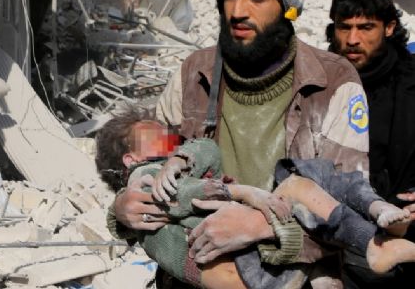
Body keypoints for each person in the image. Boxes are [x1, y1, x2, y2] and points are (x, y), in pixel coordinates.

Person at [111, 0, 372, 288]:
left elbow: (348, 211)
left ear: (291, 1)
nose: (237, 11)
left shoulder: (333, 84)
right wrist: (124, 206)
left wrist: (265, 226)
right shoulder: (193, 75)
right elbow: (150, 166)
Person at [96, 108, 414, 288]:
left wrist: (181, 158)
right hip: (241, 267)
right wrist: (242, 192)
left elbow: (205, 149)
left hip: (250, 264)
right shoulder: (146, 177)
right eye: (154, 136)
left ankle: (373, 231)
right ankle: (373, 237)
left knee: (311, 187)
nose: (169, 138)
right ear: (130, 159)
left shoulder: (172, 165)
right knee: (303, 184)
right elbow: (179, 196)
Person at [326, 0, 415, 287]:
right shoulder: (317, 82)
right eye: (344, 27)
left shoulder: (410, 82)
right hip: (333, 233)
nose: (352, 40)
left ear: (389, 27)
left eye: (365, 28)